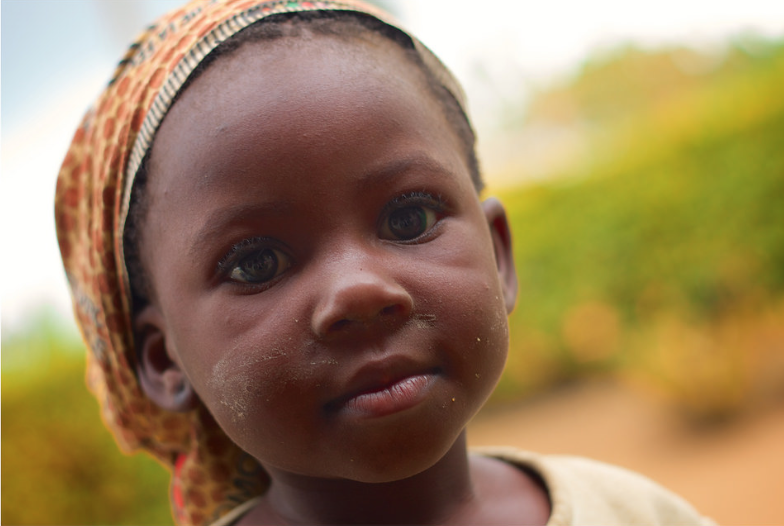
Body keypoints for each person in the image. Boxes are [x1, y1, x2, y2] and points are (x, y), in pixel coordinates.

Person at [55, 1, 714, 525]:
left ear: (499, 255)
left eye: (409, 219)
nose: (359, 290)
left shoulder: (633, 510)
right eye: (256, 263)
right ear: (163, 359)